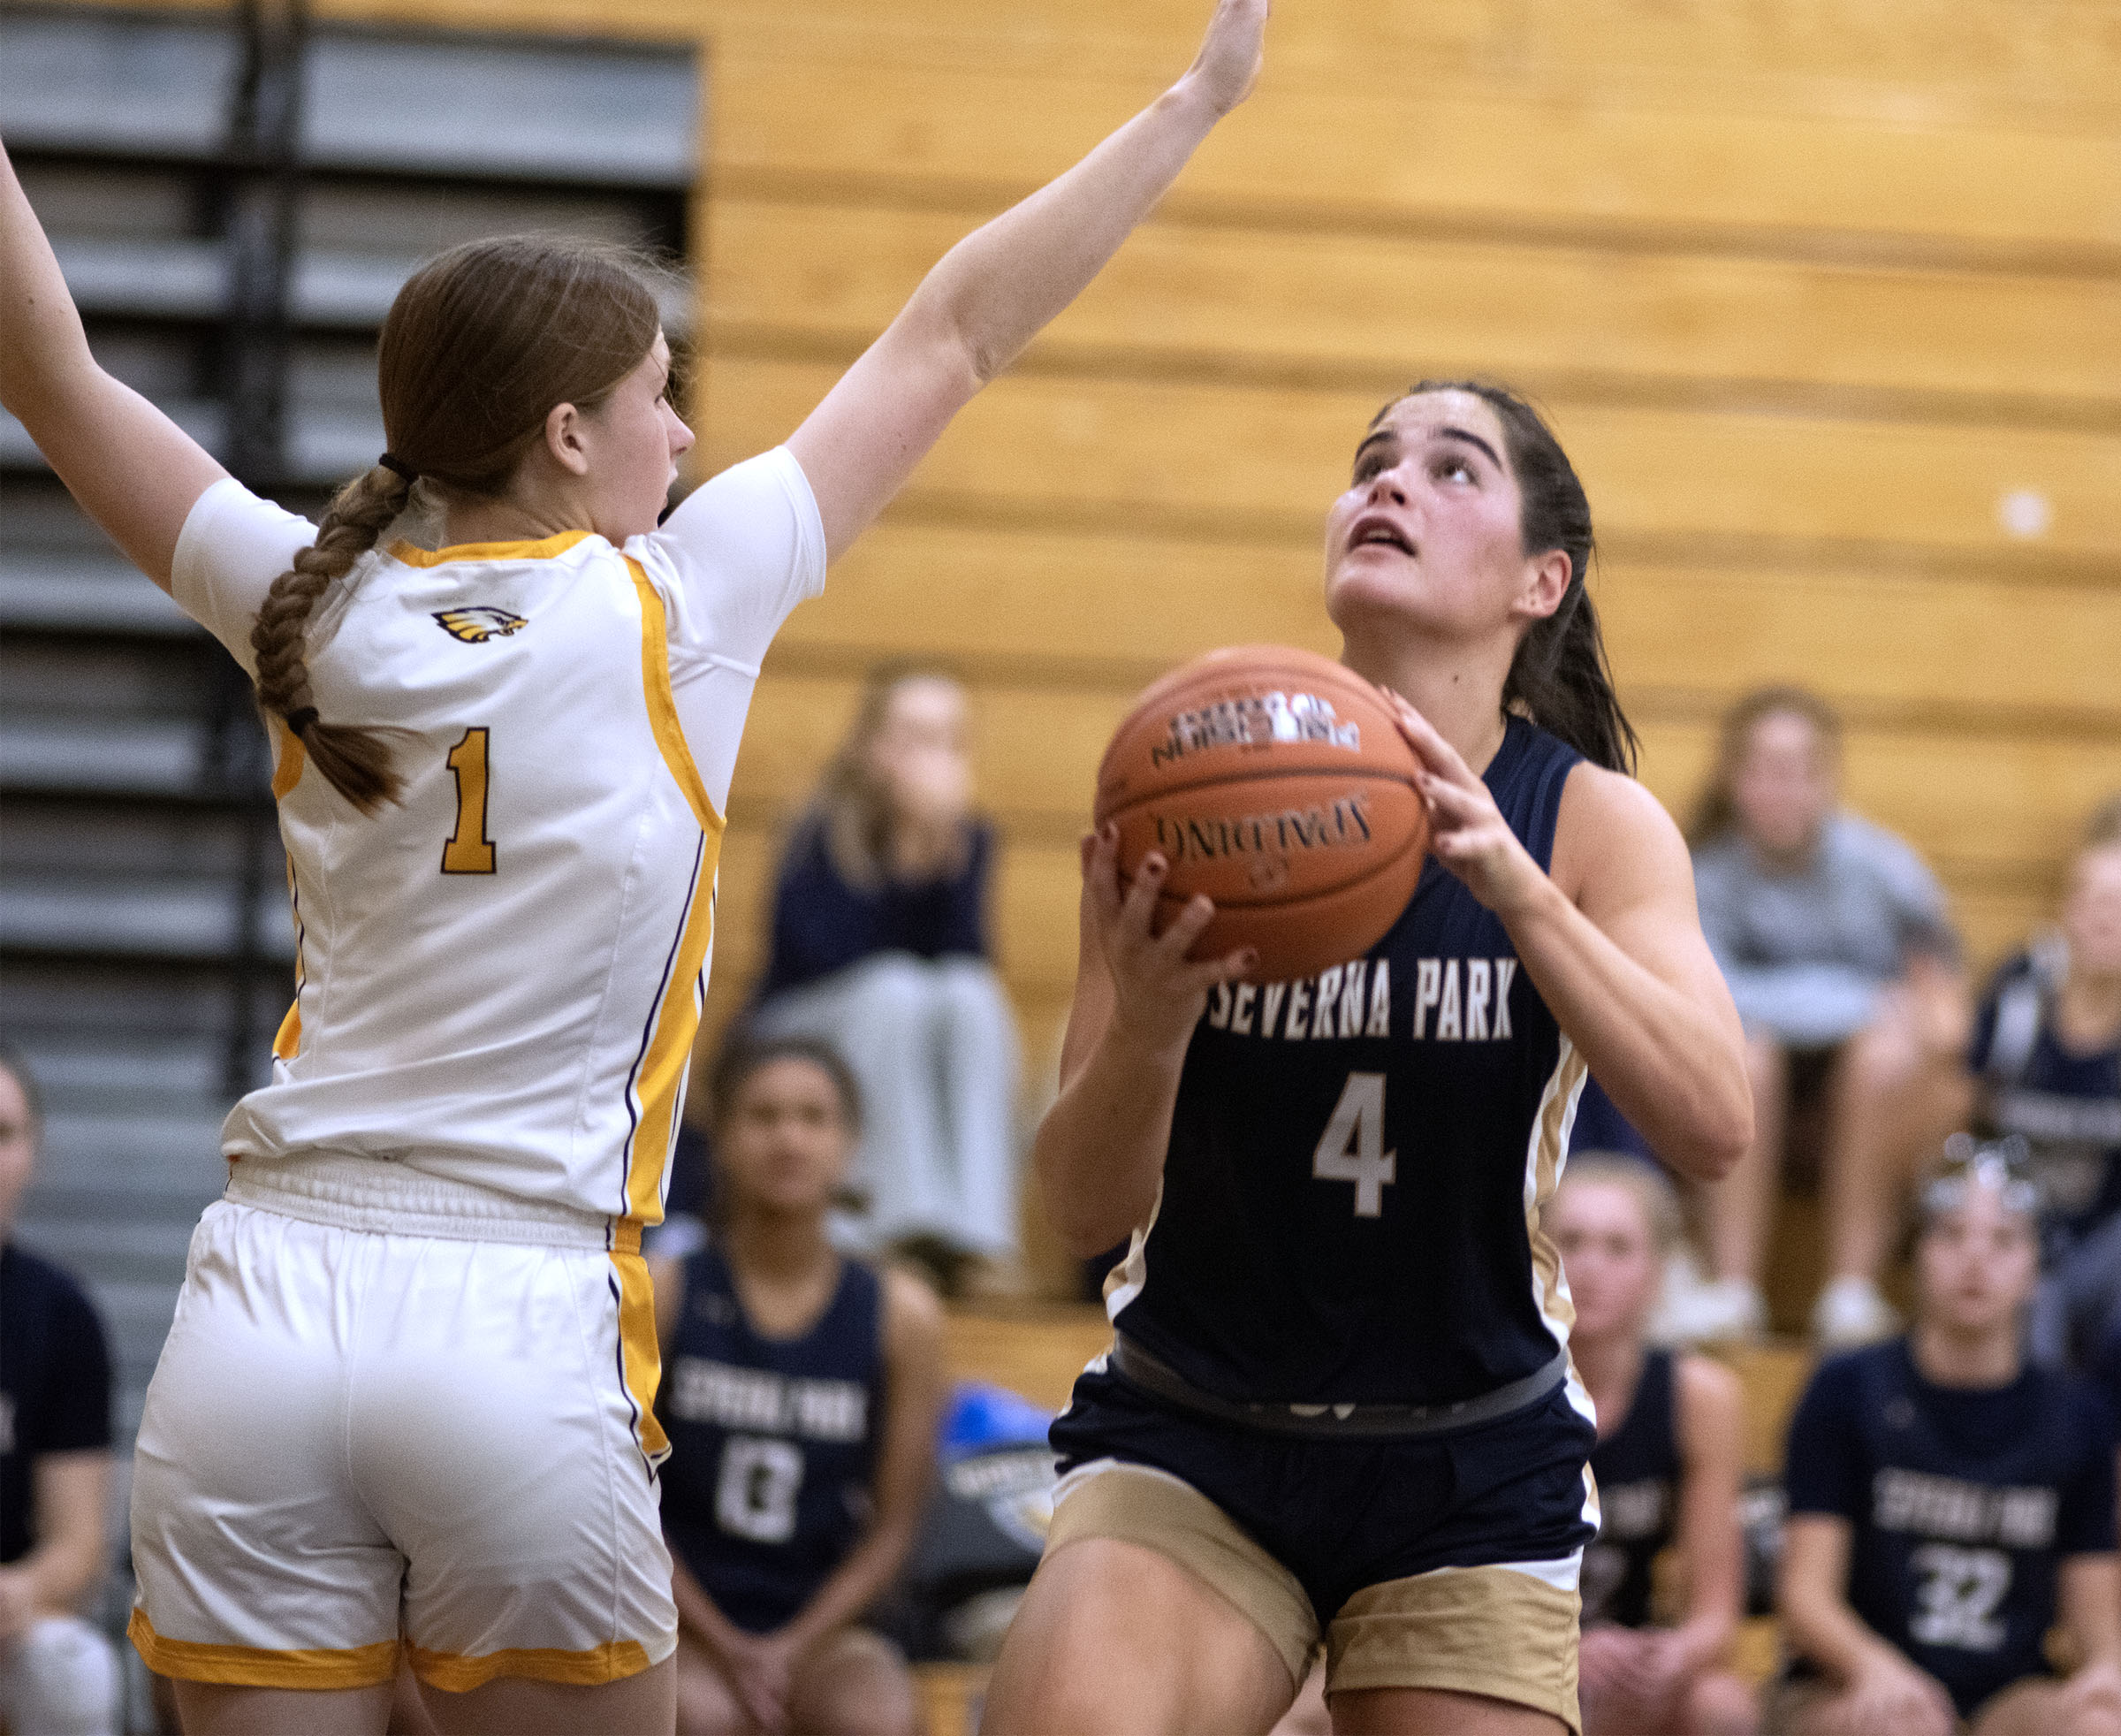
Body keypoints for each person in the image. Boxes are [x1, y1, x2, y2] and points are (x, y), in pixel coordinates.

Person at [0, 4, 1267, 1727]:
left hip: (262, 1306)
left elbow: (54, 369)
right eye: (663, 399)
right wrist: (1194, 101)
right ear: (568, 431)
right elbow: (957, 330)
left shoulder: (309, 600)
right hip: (516, 1308)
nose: (687, 439)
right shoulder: (677, 602)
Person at [981, 379, 1753, 1736]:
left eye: (1453, 469)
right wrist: (1154, 1024)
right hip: (1197, 1430)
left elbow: (1714, 1126)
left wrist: (1519, 891)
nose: (1389, 484)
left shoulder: (1591, 827)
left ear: (1540, 580)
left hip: (1471, 1457)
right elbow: (1081, 1212)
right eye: (1371, 463)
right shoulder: (1184, 789)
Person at [1775, 1138, 2121, 1736]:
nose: (1975, 1260)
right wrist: (1878, 1670)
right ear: (1917, 1253)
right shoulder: (1845, 1389)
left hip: (2009, 1693)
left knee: (2095, 1725)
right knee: (1904, 1728)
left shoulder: (2080, 1417)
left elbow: (2094, 1616)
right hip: (1848, 1679)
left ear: (2036, 1268)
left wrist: (2108, 1672)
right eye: (1951, 1234)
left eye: (2005, 1240)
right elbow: (1806, 1596)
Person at [650, 1038, 944, 1736]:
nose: (789, 1138)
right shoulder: (666, 1291)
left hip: (824, 1625)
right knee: (700, 1715)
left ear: (849, 1143)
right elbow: (623, 1502)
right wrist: (727, 1645)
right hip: (679, 1614)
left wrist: (789, 1646)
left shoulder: (903, 1314)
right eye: (765, 1116)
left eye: (814, 1118)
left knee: (874, 1715)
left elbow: (894, 1528)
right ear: (720, 1138)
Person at [1684, 686, 1971, 1347]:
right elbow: (1710, 999)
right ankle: (1733, 1289)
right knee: (1745, 1050)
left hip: (1871, 1094)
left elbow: (1940, 1001)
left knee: (1886, 1051)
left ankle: (1851, 1291)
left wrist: (1893, 1018)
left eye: (1798, 771)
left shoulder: (1885, 869)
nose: (1781, 790)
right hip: (1752, 1090)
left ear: (1827, 780)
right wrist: (1862, 1001)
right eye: (1763, 770)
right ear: (1734, 779)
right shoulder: (1702, 875)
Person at [749, 665, 1020, 1291]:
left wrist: (937, 855)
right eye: (913, 737)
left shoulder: (969, 839)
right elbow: (816, 953)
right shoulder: (818, 828)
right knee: (893, 990)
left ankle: (978, 1238)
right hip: (802, 1023)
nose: (929, 758)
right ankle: (893, 1226)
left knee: (972, 998)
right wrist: (901, 851)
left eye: (945, 740)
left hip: (897, 1009)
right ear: (871, 745)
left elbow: (965, 959)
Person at [1551, 1156, 1755, 1736]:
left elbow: (1717, 1616)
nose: (1589, 1269)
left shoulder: (1699, 1397)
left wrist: (1669, 1657)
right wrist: (1565, 1654)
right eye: (1571, 1241)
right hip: (1510, 1654)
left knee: (1722, 1706)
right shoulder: (1497, 1387)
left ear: (1660, 1271)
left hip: (1625, 1662)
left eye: (1618, 1248)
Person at [1970, 796, 2121, 1370]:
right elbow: (1966, 1119)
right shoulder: (2020, 995)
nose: (2105, 918)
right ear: (2066, 908)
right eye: (2092, 901)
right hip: (2020, 1232)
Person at [0, 1048, 123, 1736]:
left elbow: (78, 1545)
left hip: (6, 1622)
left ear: (33, 1156)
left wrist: (19, 1593)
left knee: (74, 1668)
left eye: (2, 1134)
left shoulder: (60, 1312)